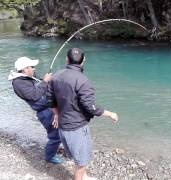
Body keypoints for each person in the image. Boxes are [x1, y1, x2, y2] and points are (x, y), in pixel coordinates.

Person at [47, 48, 119, 180]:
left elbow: (51, 100)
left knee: (78, 156)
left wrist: (56, 114)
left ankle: (84, 176)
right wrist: (110, 114)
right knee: (82, 162)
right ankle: (80, 177)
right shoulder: (83, 80)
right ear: (83, 61)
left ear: (67, 59)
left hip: (63, 126)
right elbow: (91, 107)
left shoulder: (55, 76)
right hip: (77, 128)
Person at [8, 56, 64, 164]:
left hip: (50, 107)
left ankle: (65, 149)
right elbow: (34, 95)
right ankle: (50, 156)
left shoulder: (29, 77)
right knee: (55, 136)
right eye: (32, 67)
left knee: (64, 128)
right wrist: (45, 81)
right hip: (45, 112)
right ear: (25, 69)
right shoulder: (18, 83)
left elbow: (41, 86)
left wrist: (48, 81)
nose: (34, 69)